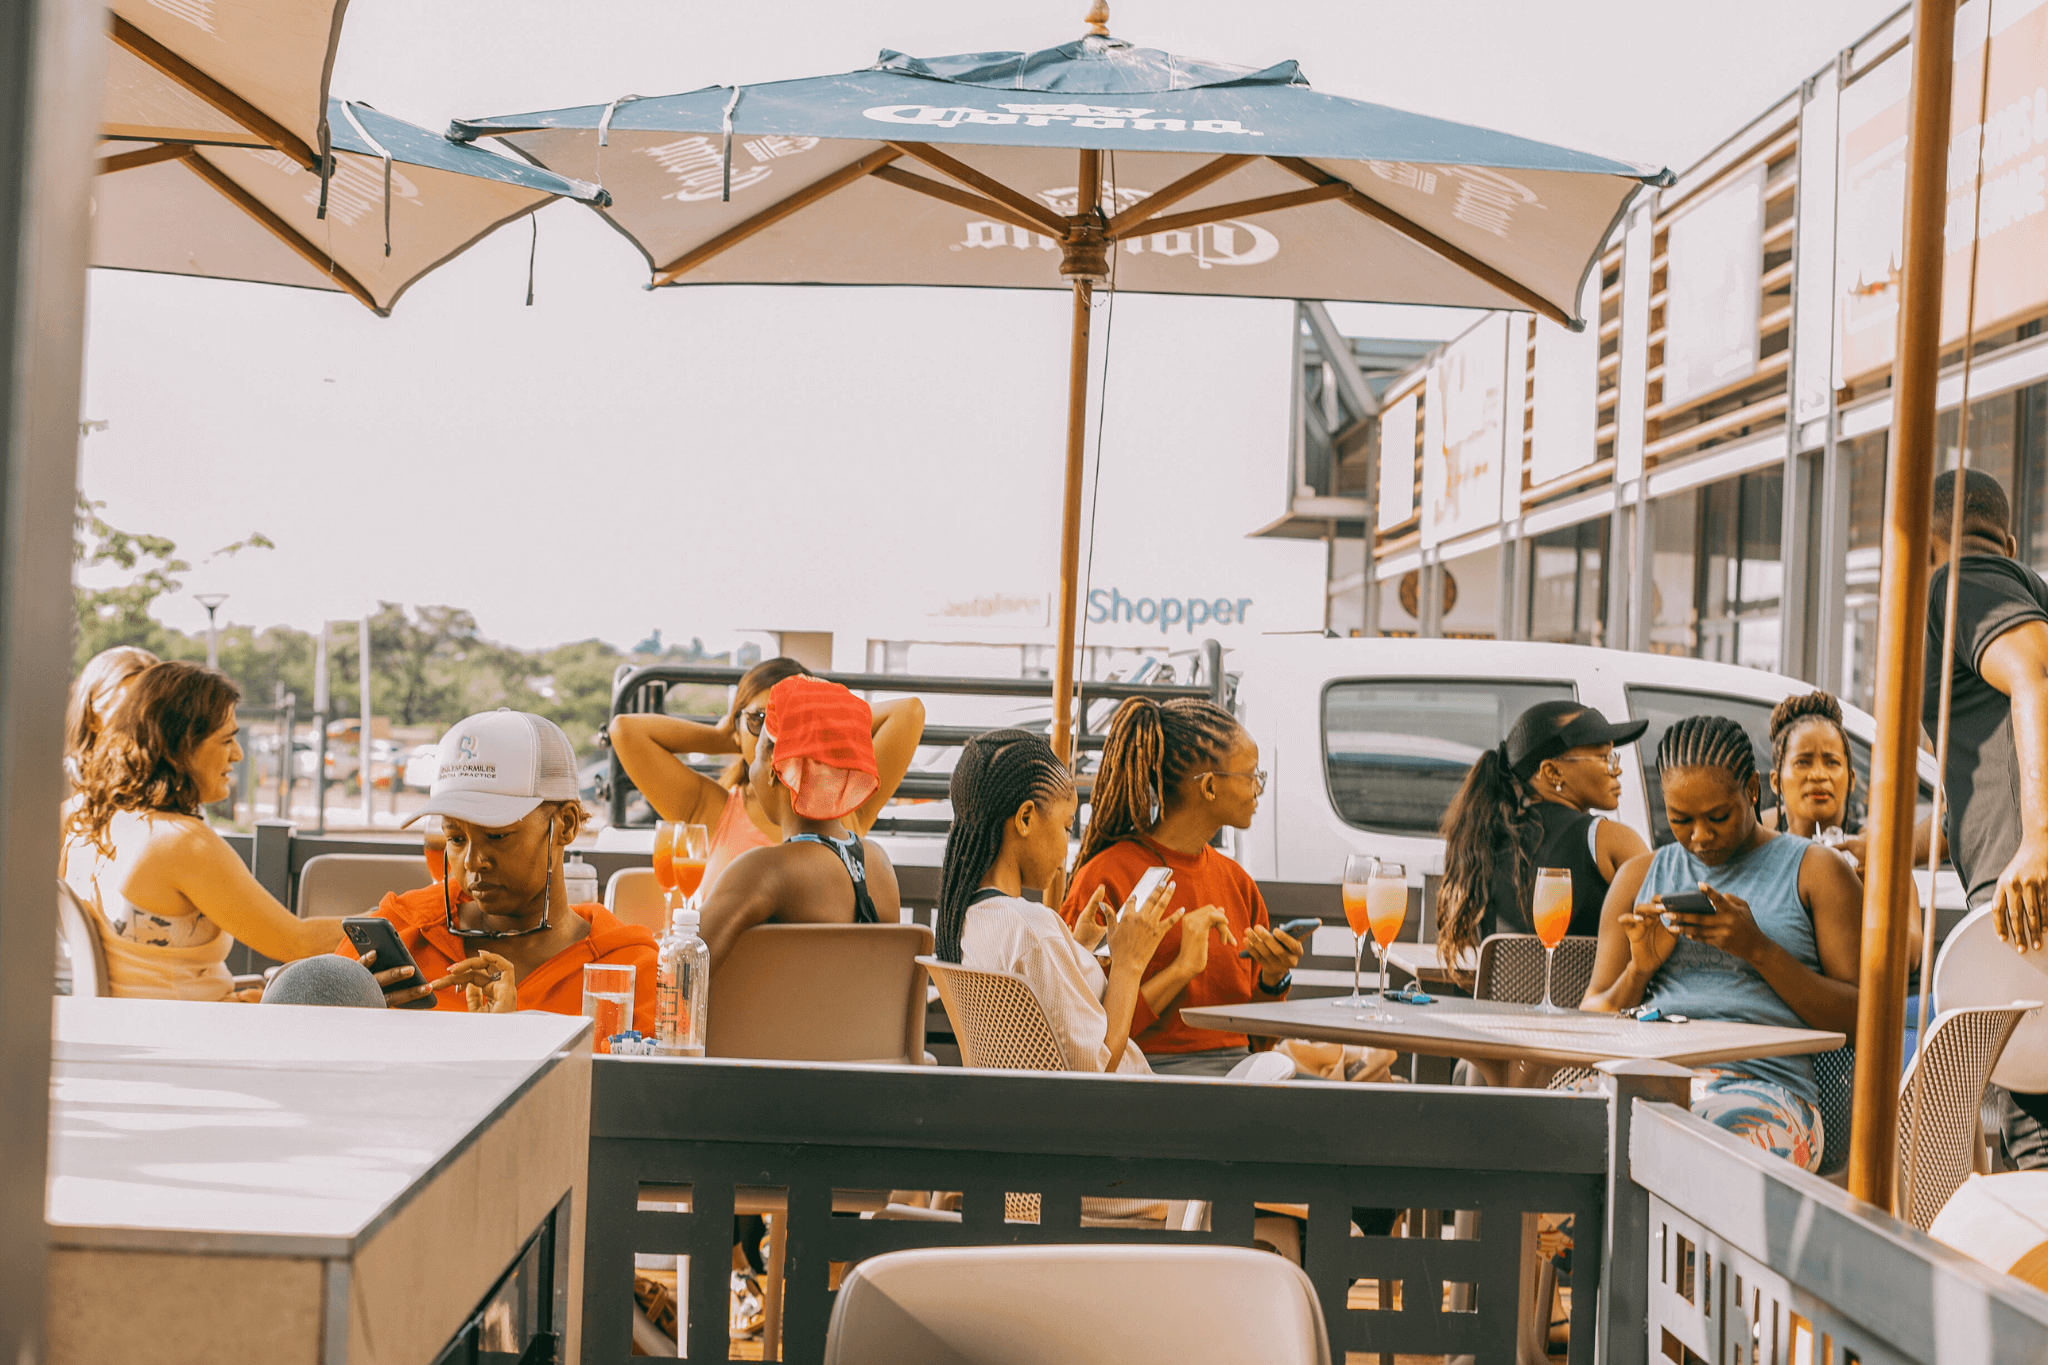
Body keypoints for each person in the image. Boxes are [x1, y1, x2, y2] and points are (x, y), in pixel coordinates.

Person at [1581, 715, 1864, 1170]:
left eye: (1718, 816)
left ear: (1752, 790)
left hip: (1764, 1087)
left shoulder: (1818, 871)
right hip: (1648, 1078)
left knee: (1703, 1157)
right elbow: (1590, 1019)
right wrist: (1640, 969)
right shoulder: (1639, 876)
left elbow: (1861, 1019)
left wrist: (1758, 950)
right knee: (1548, 1134)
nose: (1700, 836)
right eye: (1680, 820)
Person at [339, 708, 658, 1032]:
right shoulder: (401, 929)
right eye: (456, 838)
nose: (473, 861)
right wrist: (350, 1022)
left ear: (566, 824)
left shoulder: (630, 971)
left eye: (497, 836)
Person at [63, 660, 351, 1000]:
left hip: (130, 1028)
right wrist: (399, 913)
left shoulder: (81, 819)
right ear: (179, 745)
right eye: (226, 739)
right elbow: (298, 942)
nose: (239, 755)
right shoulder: (180, 842)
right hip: (187, 1037)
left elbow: (136, 965)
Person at [1059, 697, 1303, 1077]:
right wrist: (1181, 969)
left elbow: (1258, 1042)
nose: (1258, 788)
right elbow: (1084, 1036)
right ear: (1208, 787)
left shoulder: (1238, 883)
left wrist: (1274, 979)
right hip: (1152, 1077)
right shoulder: (1107, 880)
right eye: (1251, 775)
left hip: (1245, 1071)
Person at [1924, 468, 2048, 1165]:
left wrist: (2038, 842)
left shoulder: (1959, 581)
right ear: (2008, 533)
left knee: (2037, 1160)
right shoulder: (2027, 590)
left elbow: (2033, 674)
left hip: (2027, 924)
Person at [936, 728, 1180, 1073]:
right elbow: (1097, 1069)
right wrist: (1129, 965)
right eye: (1067, 827)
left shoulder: (969, 917)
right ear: (1025, 819)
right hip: (1114, 1112)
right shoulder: (1034, 930)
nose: (1067, 849)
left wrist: (1073, 948)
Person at [607, 656, 925, 895]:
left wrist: (827, 725)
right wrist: (728, 736)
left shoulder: (843, 808)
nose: (777, 735)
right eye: (761, 719)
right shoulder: (711, 808)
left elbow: (909, 712)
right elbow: (625, 731)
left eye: (791, 721)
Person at [697, 676, 902, 972]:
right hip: (858, 1021)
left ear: (772, 769)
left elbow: (683, 971)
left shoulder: (763, 871)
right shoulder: (879, 866)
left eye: (755, 757)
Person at [1436, 700, 1651, 977]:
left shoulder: (1482, 840)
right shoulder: (1611, 840)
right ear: (1552, 771)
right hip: (1592, 1015)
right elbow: (1668, 935)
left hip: (1498, 1015)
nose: (1616, 769)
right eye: (1603, 757)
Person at [1765, 690, 1924, 974]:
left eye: (1831, 762)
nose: (1818, 775)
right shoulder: (1761, 849)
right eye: (1803, 761)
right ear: (1776, 781)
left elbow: (1910, 958)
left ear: (1850, 780)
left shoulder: (1878, 854)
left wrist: (1880, 884)